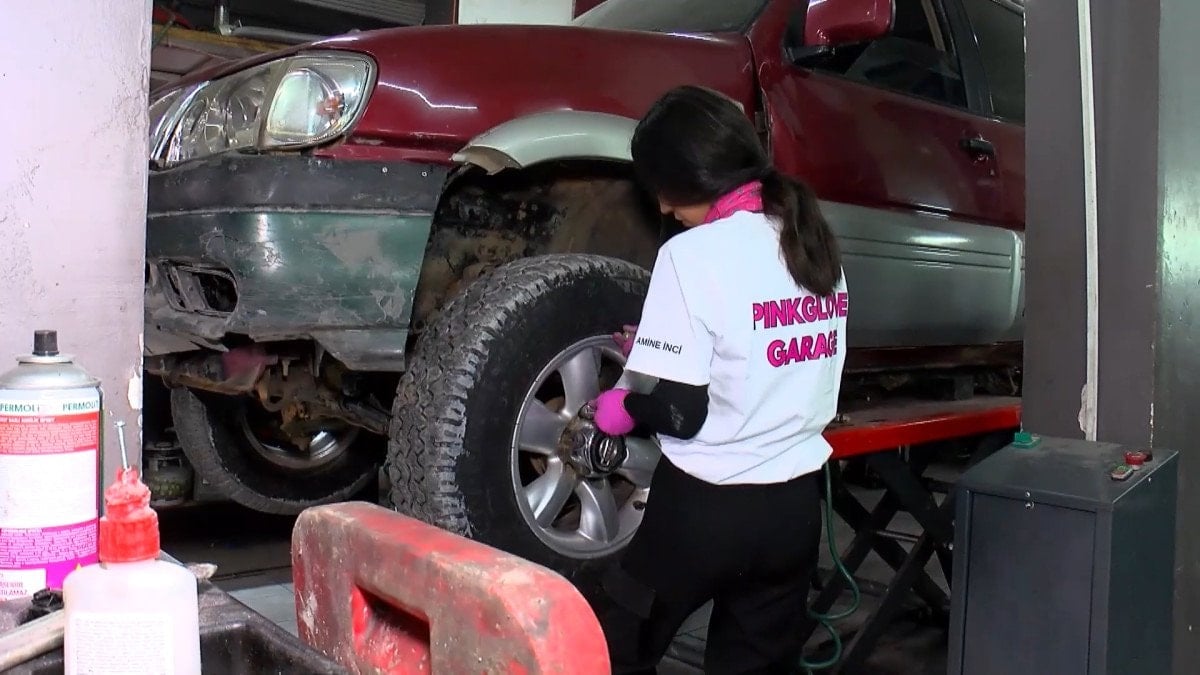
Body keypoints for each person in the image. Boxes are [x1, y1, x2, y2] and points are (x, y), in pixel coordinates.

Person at [591, 85, 849, 674]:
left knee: (611, 647)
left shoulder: (691, 254)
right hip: (794, 513)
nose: (662, 208)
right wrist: (663, 345)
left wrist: (624, 407)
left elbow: (684, 415)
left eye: (662, 189)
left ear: (693, 177)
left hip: (706, 511)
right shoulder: (812, 243)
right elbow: (769, 347)